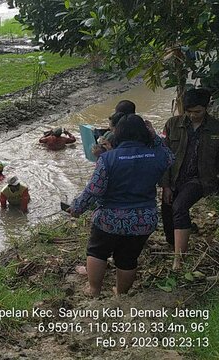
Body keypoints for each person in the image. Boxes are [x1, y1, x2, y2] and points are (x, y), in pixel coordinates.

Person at [69, 114, 174, 296]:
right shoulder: (157, 155)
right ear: (144, 132)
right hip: (143, 219)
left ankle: (93, 289)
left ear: (118, 134)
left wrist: (77, 207)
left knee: (97, 251)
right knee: (128, 258)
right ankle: (121, 293)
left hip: (109, 219)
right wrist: (154, 136)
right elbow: (170, 156)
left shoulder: (108, 159)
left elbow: (94, 190)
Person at [161, 88, 219, 270]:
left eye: (198, 112)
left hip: (200, 178)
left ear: (206, 107)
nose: (193, 116)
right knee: (168, 210)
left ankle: (179, 259)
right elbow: (164, 156)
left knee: (179, 207)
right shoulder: (172, 124)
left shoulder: (216, 128)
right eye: (189, 111)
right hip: (175, 176)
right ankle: (173, 245)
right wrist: (166, 185)